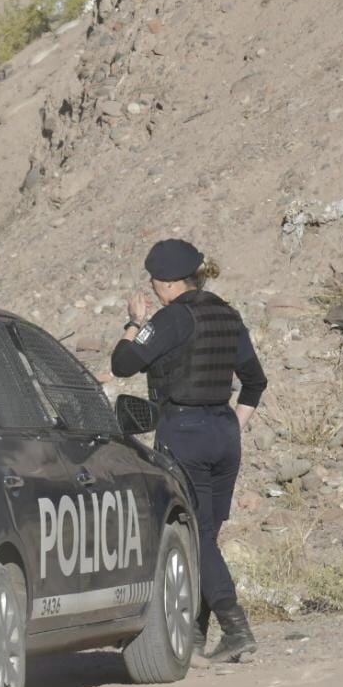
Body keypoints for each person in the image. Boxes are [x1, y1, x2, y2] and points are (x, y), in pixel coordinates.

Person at [108, 239, 268, 663]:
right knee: (207, 536)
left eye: (154, 281)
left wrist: (132, 323)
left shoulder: (172, 319)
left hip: (185, 432)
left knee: (196, 535)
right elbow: (255, 381)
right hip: (223, 432)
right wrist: (234, 424)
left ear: (167, 283)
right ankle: (195, 636)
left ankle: (236, 628)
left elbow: (123, 363)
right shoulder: (227, 314)